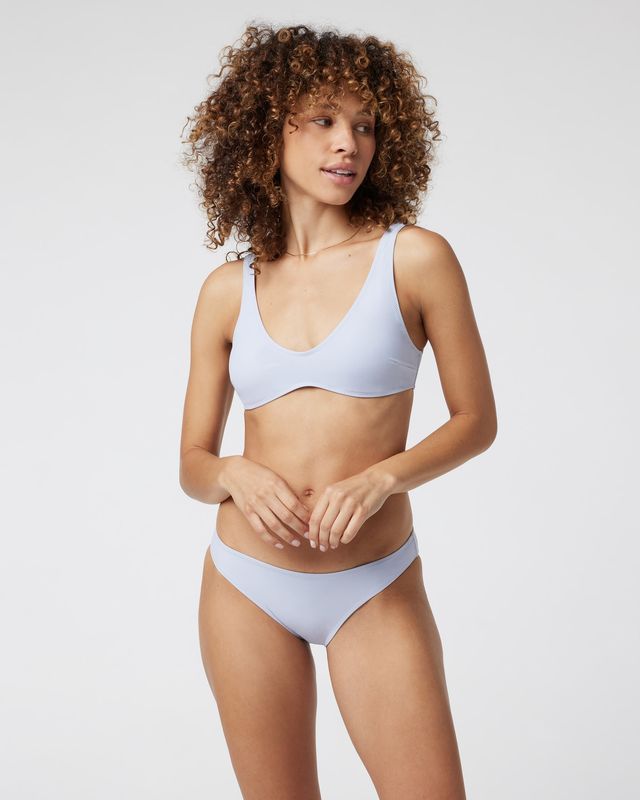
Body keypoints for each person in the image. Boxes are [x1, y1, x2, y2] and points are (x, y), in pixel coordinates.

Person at [179, 22, 496, 800]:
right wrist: (233, 473)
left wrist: (381, 479)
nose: (348, 143)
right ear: (268, 129)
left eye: (365, 125)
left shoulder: (415, 259)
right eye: (323, 120)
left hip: (373, 584)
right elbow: (192, 464)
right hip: (245, 583)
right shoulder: (227, 289)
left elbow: (476, 420)